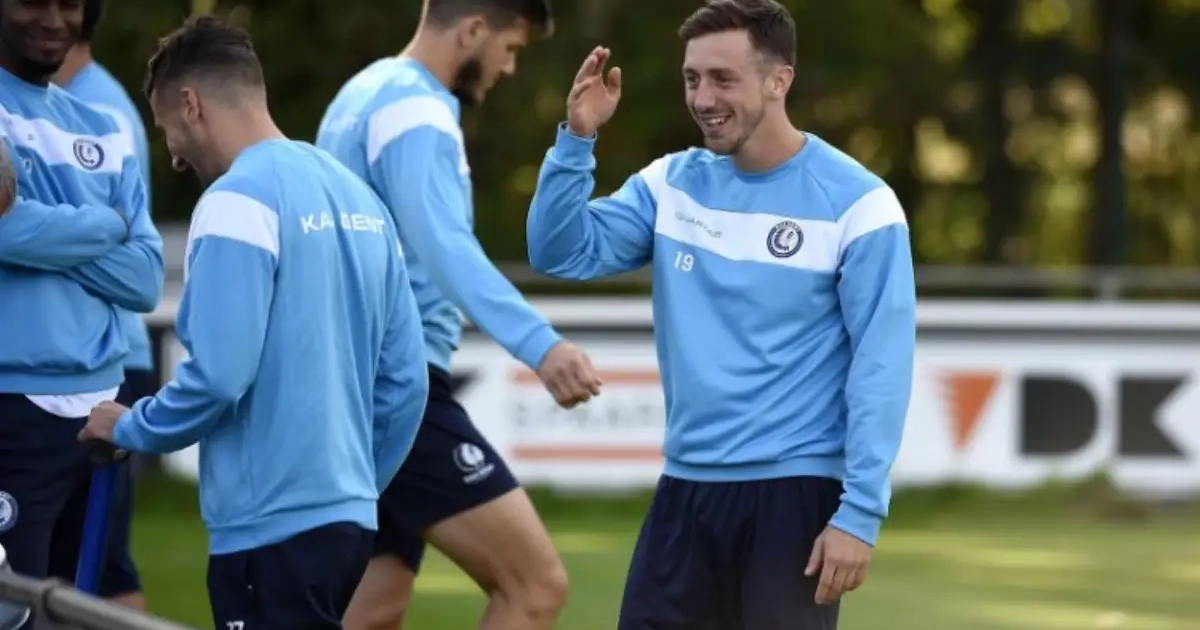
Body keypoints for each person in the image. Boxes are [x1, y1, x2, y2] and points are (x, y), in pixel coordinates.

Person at [525, 1, 917, 628]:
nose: (703, 98)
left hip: (795, 496)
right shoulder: (672, 185)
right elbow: (558, 250)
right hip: (685, 490)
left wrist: (860, 512)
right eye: (692, 78)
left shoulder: (860, 206)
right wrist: (577, 140)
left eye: (723, 79)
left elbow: (882, 366)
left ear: (779, 80)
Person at [77, 15, 430, 629]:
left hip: (269, 528)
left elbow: (219, 376)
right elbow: (407, 381)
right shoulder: (361, 198)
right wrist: (352, 489)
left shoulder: (235, 200)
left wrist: (132, 425)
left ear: (191, 105)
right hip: (348, 523)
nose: (174, 155)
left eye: (166, 129)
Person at [316, 1, 601, 628]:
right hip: (398, 384)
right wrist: (540, 344)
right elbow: (443, 245)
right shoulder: (417, 109)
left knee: (374, 607)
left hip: (353, 380)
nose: (509, 67)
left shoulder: (360, 94)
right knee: (534, 585)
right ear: (473, 30)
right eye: (510, 48)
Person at [0, 0, 164, 600]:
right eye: (31, 2)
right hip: (12, 407)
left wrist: (32, 225)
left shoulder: (103, 125)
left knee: (87, 609)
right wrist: (107, 223)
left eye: (69, 3)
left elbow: (144, 279)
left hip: (101, 408)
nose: (52, 19)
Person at [51, 0, 151, 611]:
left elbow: (127, 253)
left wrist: (32, 240)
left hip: (106, 361)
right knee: (92, 566)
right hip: (96, 356)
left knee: (102, 570)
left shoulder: (96, 111)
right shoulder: (69, 101)